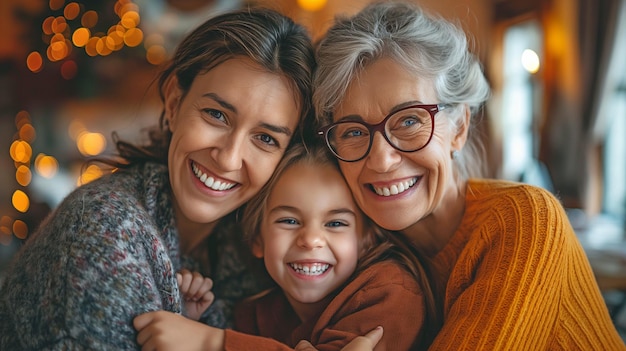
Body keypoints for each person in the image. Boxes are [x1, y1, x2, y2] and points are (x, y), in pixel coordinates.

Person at [311, 1, 626, 350]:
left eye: (410, 120)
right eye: (353, 131)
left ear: (459, 125)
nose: (382, 160)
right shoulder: (358, 251)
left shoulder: (526, 219)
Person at [0, 7, 315, 349]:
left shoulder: (257, 246)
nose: (228, 158)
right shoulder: (104, 229)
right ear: (175, 103)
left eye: (266, 138)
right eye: (216, 115)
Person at [133, 142, 431, 350]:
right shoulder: (256, 316)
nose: (311, 239)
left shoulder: (390, 294)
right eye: (288, 221)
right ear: (257, 240)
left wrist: (210, 342)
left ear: (365, 239)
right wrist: (191, 320)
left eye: (336, 223)